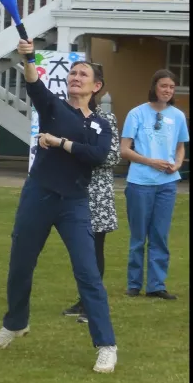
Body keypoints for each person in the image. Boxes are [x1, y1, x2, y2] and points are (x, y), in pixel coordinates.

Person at [0, 39, 118, 374]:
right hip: (38, 195)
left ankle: (106, 345)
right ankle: (15, 323)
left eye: (82, 74)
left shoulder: (102, 124)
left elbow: (98, 155)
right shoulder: (53, 107)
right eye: (72, 72)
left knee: (88, 273)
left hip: (74, 204)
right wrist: (29, 57)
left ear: (96, 86)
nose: (75, 77)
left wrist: (60, 142)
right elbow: (33, 82)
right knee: (20, 264)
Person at [119, 69, 189, 300]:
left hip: (167, 185)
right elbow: (124, 149)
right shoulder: (136, 113)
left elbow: (180, 146)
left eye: (171, 87)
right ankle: (134, 283)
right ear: (154, 87)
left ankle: (156, 285)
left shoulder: (178, 116)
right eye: (163, 86)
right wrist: (150, 161)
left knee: (160, 236)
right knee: (138, 236)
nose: (168, 90)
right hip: (140, 183)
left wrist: (177, 164)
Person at [61, 99, 121, 323]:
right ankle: (83, 300)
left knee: (95, 249)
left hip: (97, 195)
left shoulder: (105, 118)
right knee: (79, 251)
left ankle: (92, 306)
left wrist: (76, 151)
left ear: (96, 86)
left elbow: (112, 155)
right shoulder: (67, 115)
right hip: (72, 189)